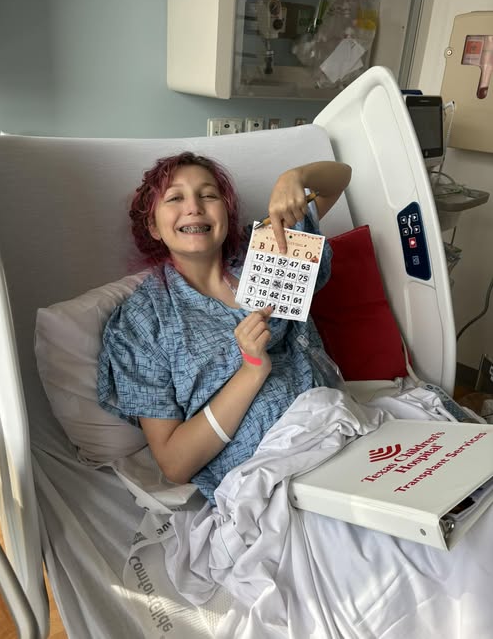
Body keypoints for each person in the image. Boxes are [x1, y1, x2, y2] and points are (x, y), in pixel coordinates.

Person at [97, 151, 351, 505]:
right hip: (271, 481)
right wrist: (251, 370)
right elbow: (174, 463)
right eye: (175, 198)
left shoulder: (268, 249)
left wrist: (296, 176)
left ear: (226, 215)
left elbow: (340, 178)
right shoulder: (142, 323)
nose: (194, 207)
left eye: (208, 195)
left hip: (341, 428)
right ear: (153, 226)